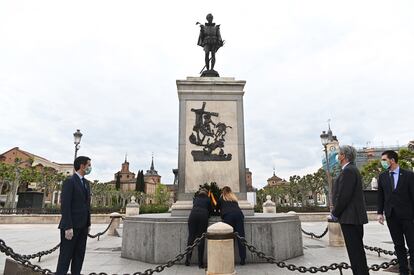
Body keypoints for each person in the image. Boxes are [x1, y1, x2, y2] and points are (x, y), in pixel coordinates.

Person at [329, 145, 369, 275]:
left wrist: (335, 213)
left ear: (344, 156)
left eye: (339, 153)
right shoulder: (350, 169)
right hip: (352, 217)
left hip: (351, 218)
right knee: (356, 251)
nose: (337, 155)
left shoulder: (349, 171)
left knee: (355, 252)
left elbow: (344, 195)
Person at [377, 150, 414, 275]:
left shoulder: (409, 175)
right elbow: (380, 196)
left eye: (384, 160)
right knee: (398, 245)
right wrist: (380, 213)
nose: (382, 162)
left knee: (412, 244)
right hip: (391, 216)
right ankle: (403, 270)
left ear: (392, 160)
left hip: (408, 216)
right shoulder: (382, 176)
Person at [56, 156, 92, 275]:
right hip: (71, 226)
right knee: (65, 257)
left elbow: (86, 205)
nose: (90, 168)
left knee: (79, 255)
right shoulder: (70, 181)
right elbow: (65, 205)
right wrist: (67, 226)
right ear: (82, 166)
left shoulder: (86, 183)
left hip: (83, 226)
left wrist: (88, 223)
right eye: (89, 165)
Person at [217, 186, 246, 265]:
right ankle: (243, 259)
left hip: (228, 216)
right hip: (239, 216)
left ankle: (229, 259)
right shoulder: (234, 198)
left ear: (223, 192)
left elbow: (217, 207)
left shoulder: (222, 198)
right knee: (241, 237)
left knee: (229, 238)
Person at [185, 188, 213, 268]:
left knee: (191, 237)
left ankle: (188, 260)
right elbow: (210, 210)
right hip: (203, 216)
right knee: (201, 238)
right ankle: (200, 263)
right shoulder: (208, 199)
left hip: (193, 215)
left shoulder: (195, 199)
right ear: (206, 193)